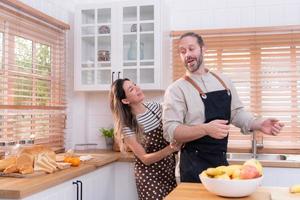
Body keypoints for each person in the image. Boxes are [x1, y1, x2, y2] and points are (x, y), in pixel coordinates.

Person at [162, 32, 284, 183]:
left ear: (203, 49)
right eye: (182, 51)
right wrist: (205, 129)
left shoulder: (223, 81)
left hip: (220, 166)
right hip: (191, 168)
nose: (187, 54)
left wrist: (257, 123)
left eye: (191, 49)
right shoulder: (176, 89)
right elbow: (170, 131)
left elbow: (236, 113)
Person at [110, 78, 180, 200]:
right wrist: (170, 149)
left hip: (169, 170)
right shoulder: (127, 126)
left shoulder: (156, 108)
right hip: (149, 177)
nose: (137, 88)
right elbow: (145, 159)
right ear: (125, 100)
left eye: (135, 85)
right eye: (131, 89)